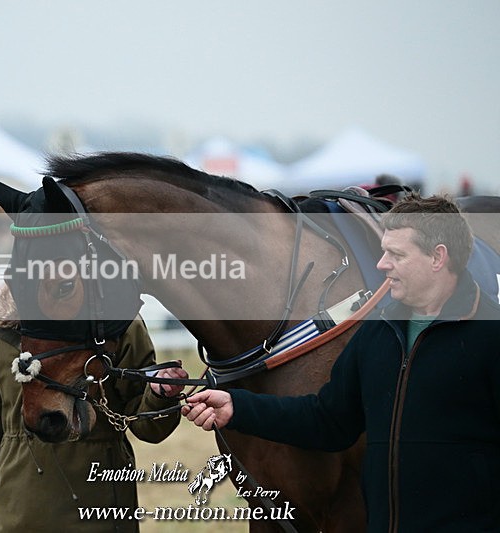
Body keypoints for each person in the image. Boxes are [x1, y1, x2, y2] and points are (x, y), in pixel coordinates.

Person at [181, 192, 500, 531]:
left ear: (437, 258)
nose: (382, 265)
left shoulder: (490, 338)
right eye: (383, 252)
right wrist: (237, 408)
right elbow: (328, 420)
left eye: (396, 254)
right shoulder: (377, 336)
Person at [0, 285, 188, 532]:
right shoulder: (0, 331)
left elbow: (149, 427)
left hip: (98, 512)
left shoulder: (117, 323)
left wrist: (160, 395)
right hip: (14, 515)